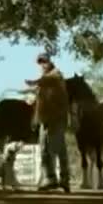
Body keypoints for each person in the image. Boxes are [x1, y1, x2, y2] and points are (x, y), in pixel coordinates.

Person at [23, 52, 71, 193]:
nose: (43, 64)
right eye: (40, 62)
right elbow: (40, 103)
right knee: (44, 150)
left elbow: (52, 79)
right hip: (45, 119)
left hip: (57, 119)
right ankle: (50, 179)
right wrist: (35, 119)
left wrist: (34, 82)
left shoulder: (56, 75)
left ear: (50, 61)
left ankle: (64, 179)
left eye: (44, 61)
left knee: (58, 148)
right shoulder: (44, 81)